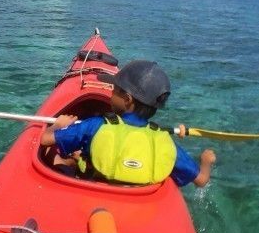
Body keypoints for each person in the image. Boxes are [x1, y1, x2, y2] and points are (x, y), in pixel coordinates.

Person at [40, 60, 217, 187]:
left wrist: (58, 125)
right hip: (136, 204)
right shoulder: (164, 142)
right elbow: (201, 180)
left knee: (58, 158)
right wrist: (206, 161)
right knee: (79, 155)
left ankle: (74, 159)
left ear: (127, 99)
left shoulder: (96, 125)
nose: (111, 93)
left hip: (95, 190)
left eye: (114, 90)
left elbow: (45, 140)